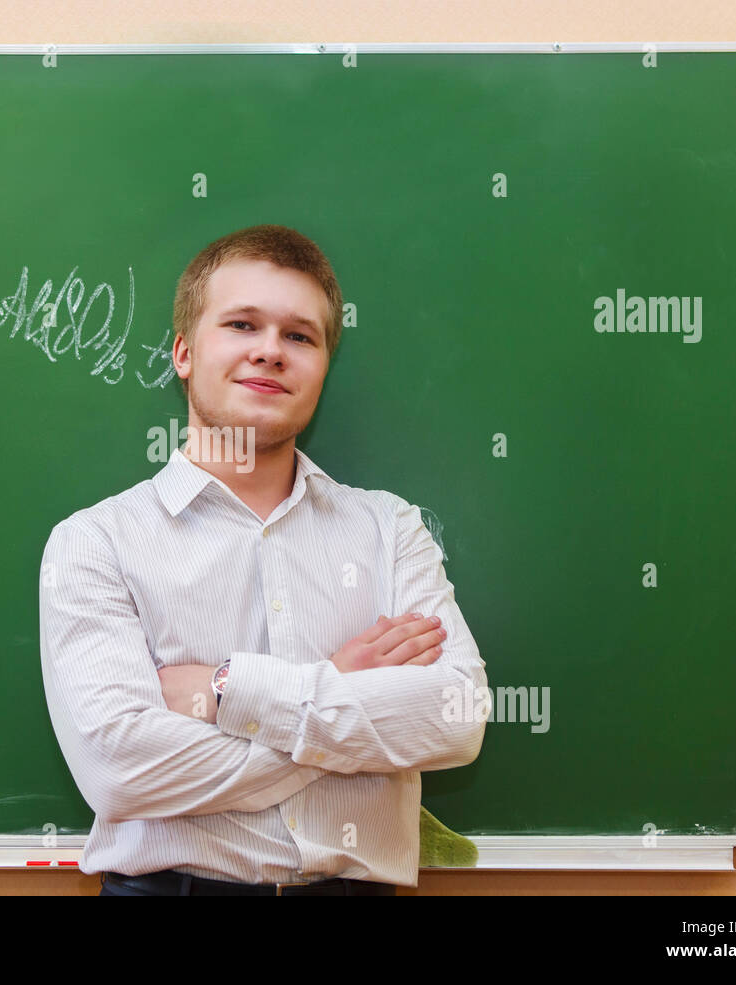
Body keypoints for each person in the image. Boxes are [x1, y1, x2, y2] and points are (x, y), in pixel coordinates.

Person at [38, 224, 487, 896]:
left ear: (324, 364)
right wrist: (341, 687)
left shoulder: (390, 529)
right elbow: (119, 769)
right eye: (243, 324)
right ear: (185, 353)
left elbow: (456, 716)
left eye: (300, 336)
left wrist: (228, 689)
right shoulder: (94, 541)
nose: (271, 351)